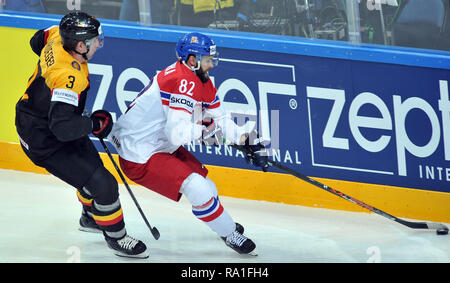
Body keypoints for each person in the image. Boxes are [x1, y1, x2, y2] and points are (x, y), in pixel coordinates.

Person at [108, 32, 269, 255]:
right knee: (199, 189)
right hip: (140, 154)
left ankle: (221, 222)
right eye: (207, 59)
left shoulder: (199, 79)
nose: (211, 64)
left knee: (208, 187)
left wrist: (247, 140)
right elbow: (177, 132)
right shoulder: (182, 81)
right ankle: (229, 233)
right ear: (192, 59)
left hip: (160, 145)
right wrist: (214, 135)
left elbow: (220, 119)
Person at [15, 12, 148, 259]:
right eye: (96, 40)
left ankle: (90, 217)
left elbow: (36, 41)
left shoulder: (57, 37)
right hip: (43, 138)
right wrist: (95, 124)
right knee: (104, 185)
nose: (99, 43)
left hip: (38, 119)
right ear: (80, 45)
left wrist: (53, 91)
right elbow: (63, 128)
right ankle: (117, 238)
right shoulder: (69, 76)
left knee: (93, 172)